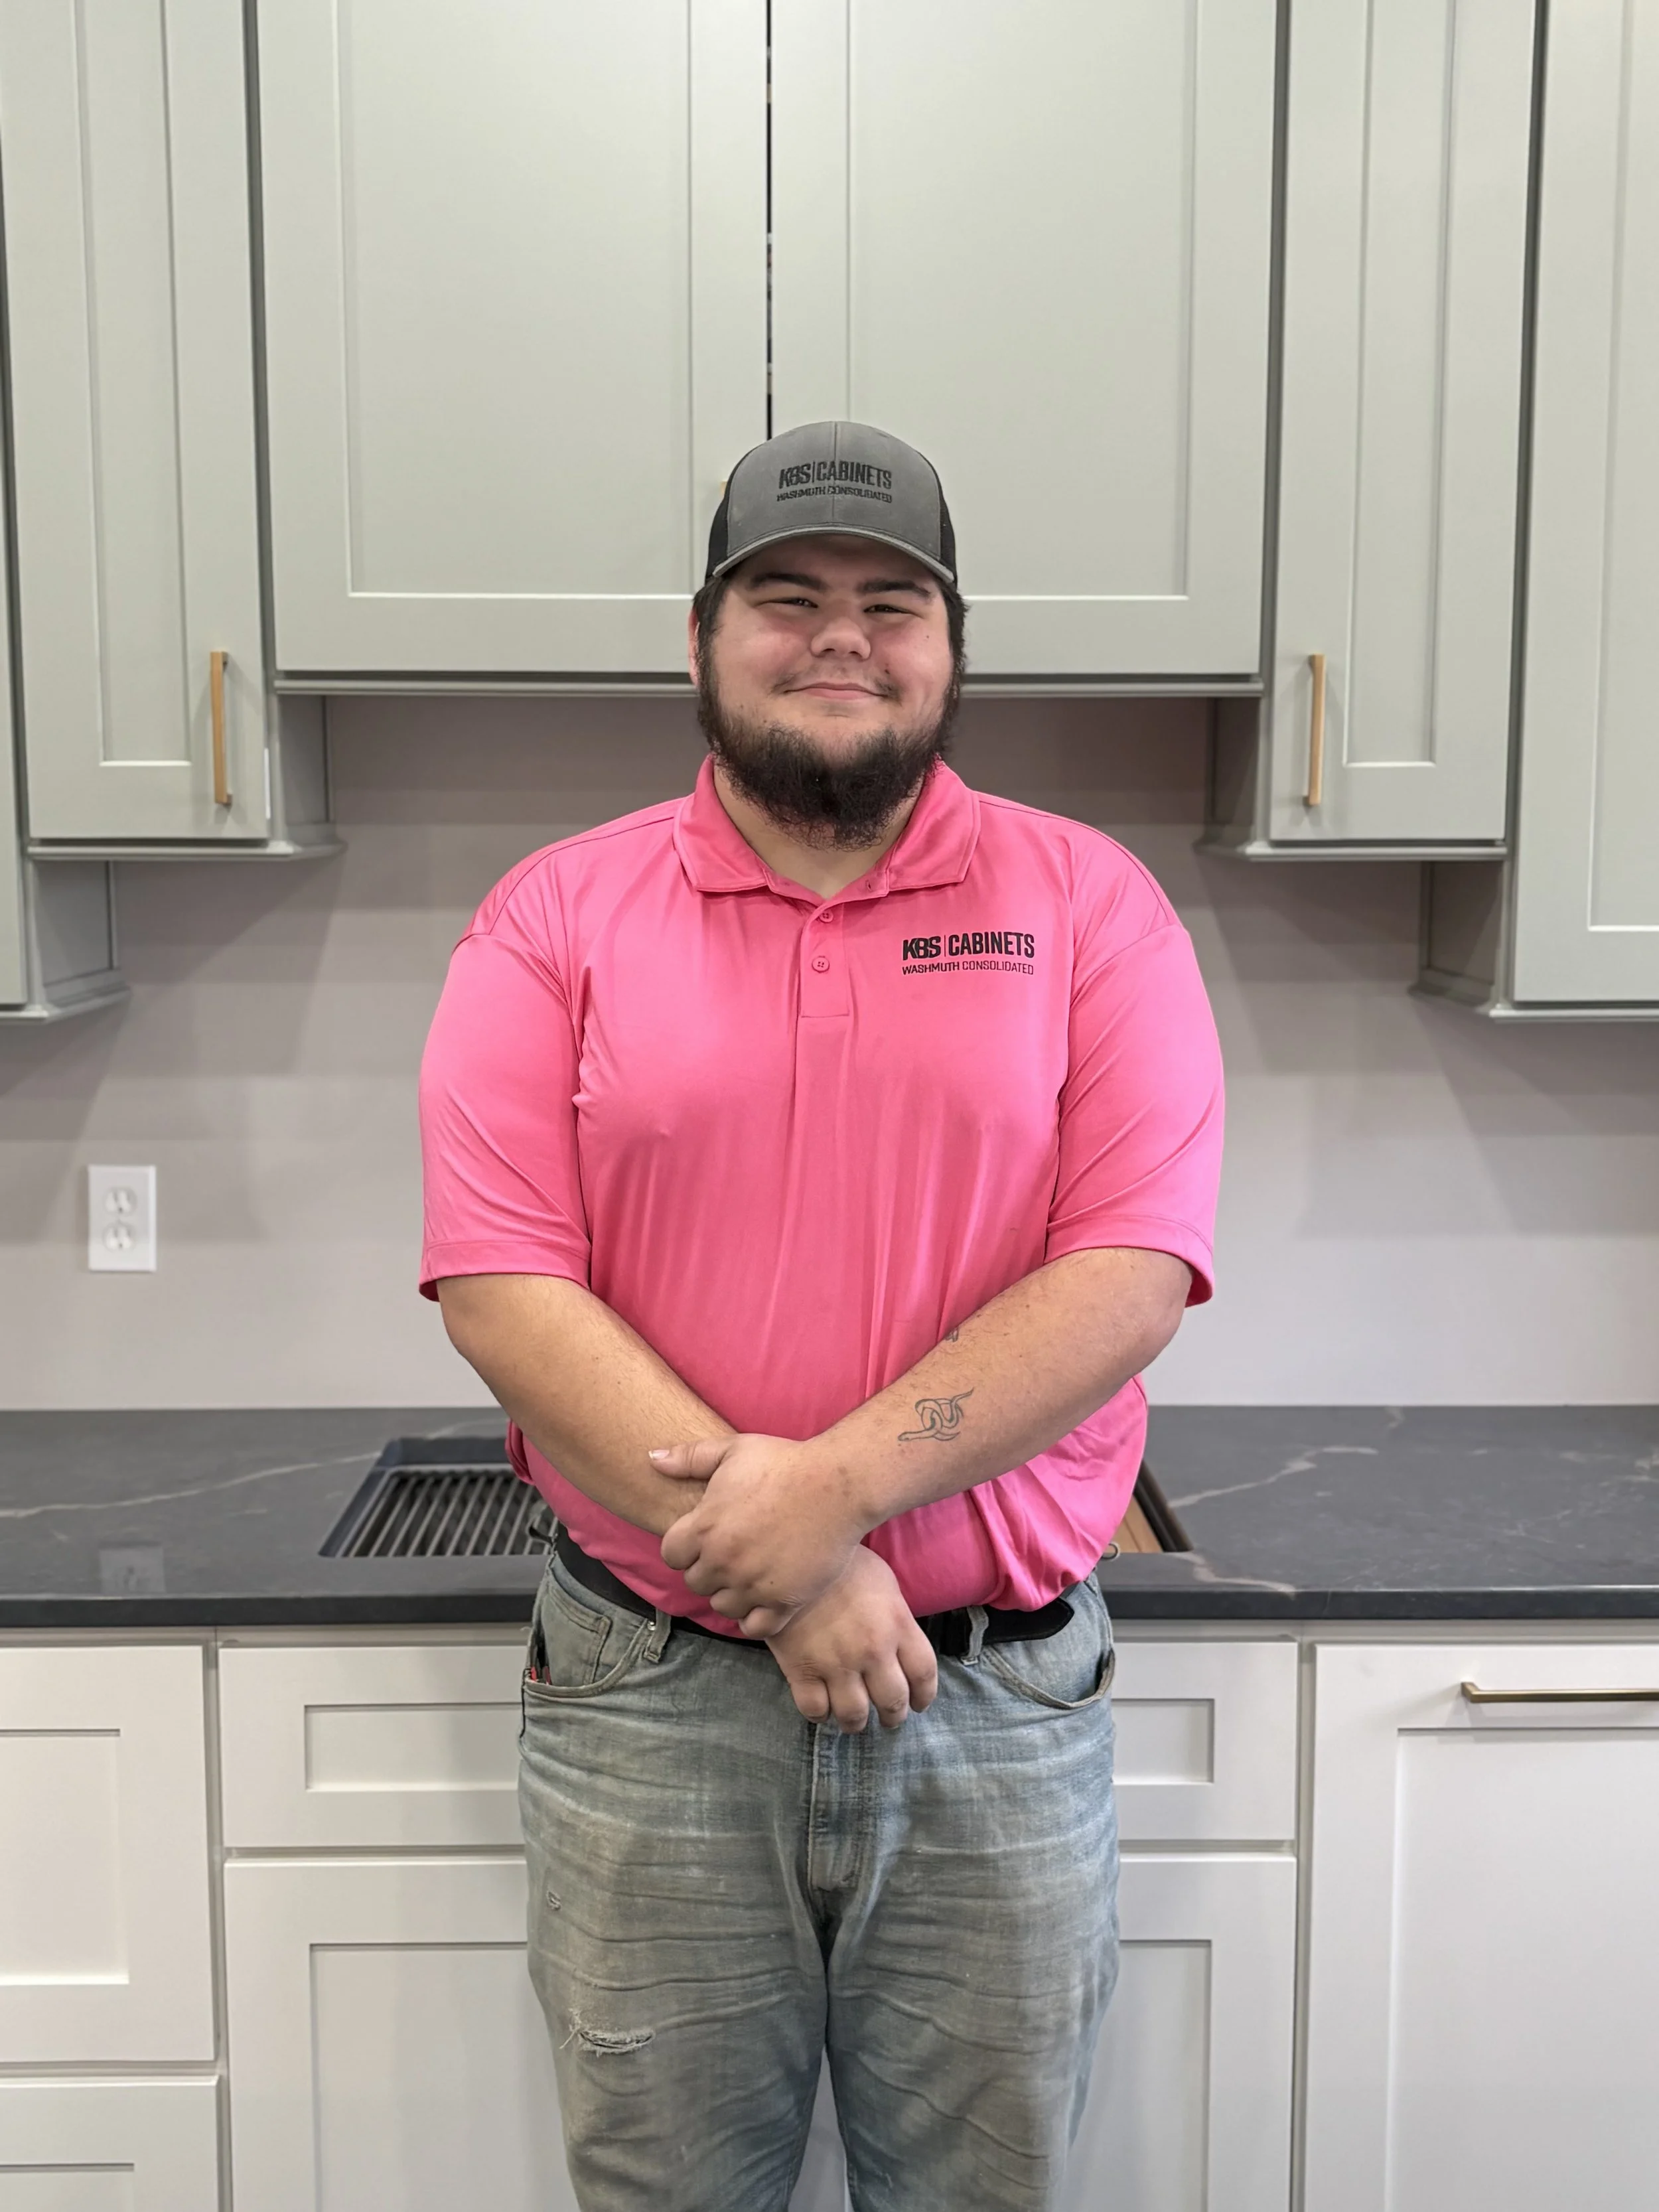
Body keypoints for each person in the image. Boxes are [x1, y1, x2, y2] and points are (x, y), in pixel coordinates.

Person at [418, 420, 1224, 2211]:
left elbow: (1130, 1268)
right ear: (702, 638)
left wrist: (827, 1495)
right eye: (786, 597)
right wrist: (795, 1557)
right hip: (651, 1700)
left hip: (996, 1707)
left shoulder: (1090, 906)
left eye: (891, 601)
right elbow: (499, 1277)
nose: (840, 636)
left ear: (950, 646)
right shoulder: (553, 915)